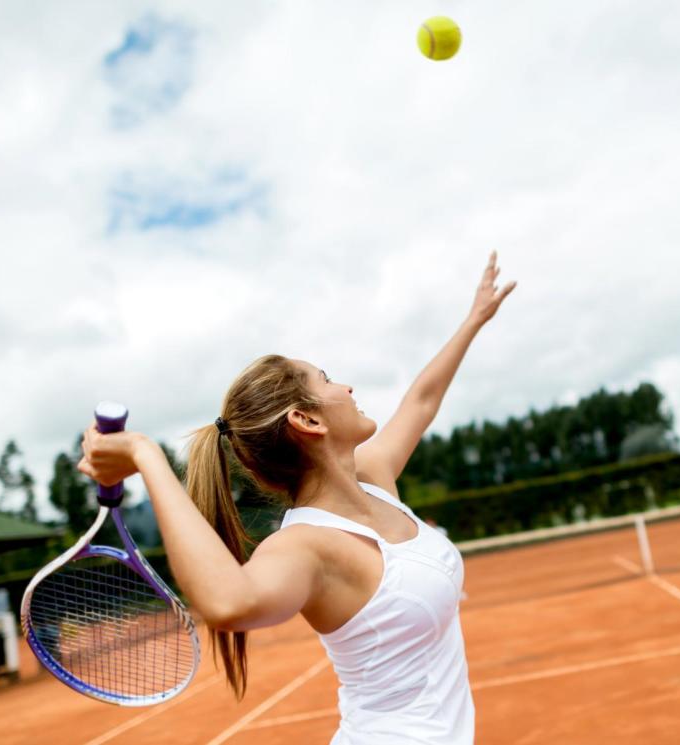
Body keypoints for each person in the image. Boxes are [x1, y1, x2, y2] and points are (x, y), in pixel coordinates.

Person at [78, 253, 516, 745]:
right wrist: (146, 456)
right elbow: (228, 602)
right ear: (307, 421)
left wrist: (474, 319)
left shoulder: (373, 478)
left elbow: (422, 399)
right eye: (328, 380)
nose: (347, 386)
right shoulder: (306, 546)